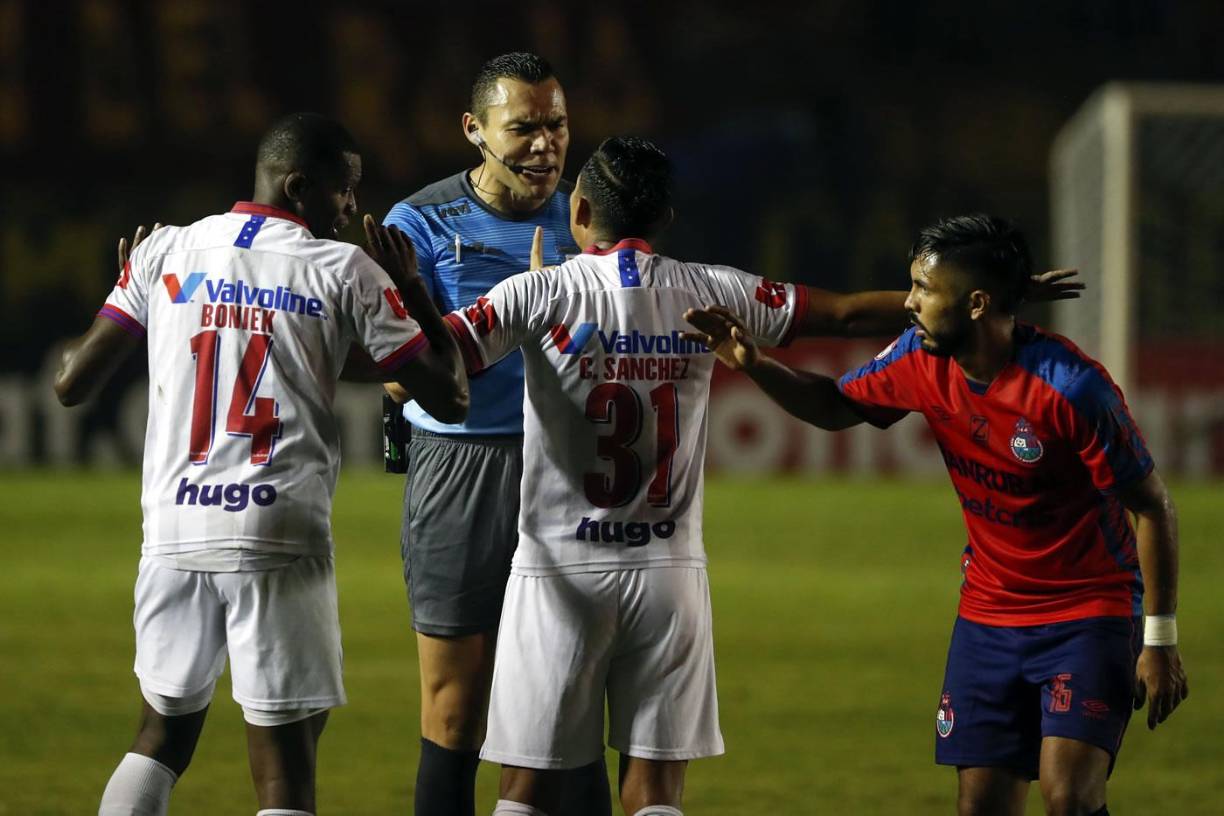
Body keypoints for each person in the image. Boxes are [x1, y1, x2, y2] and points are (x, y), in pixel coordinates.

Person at [683, 214, 1189, 816]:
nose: (910, 303)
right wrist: (756, 364)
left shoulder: (1071, 388)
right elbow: (837, 406)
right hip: (988, 614)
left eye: (924, 289)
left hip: (1087, 611)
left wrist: (1158, 640)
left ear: (976, 303)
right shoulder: (919, 362)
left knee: (1070, 797)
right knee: (979, 806)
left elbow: (1152, 507)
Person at [54, 112, 468, 816]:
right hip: (278, 533)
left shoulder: (167, 251)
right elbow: (450, 393)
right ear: (299, 184)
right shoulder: (343, 267)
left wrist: (133, 279)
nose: (351, 206)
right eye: (344, 189)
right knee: (284, 767)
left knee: (159, 734)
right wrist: (416, 290)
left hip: (174, 533)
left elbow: (71, 385)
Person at [380, 52, 609, 816]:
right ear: (475, 130)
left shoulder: (588, 219)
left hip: (569, 469)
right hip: (463, 465)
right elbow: (393, 366)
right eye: (524, 129)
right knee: (456, 709)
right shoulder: (417, 224)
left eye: (558, 126)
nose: (546, 146)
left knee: (572, 703)